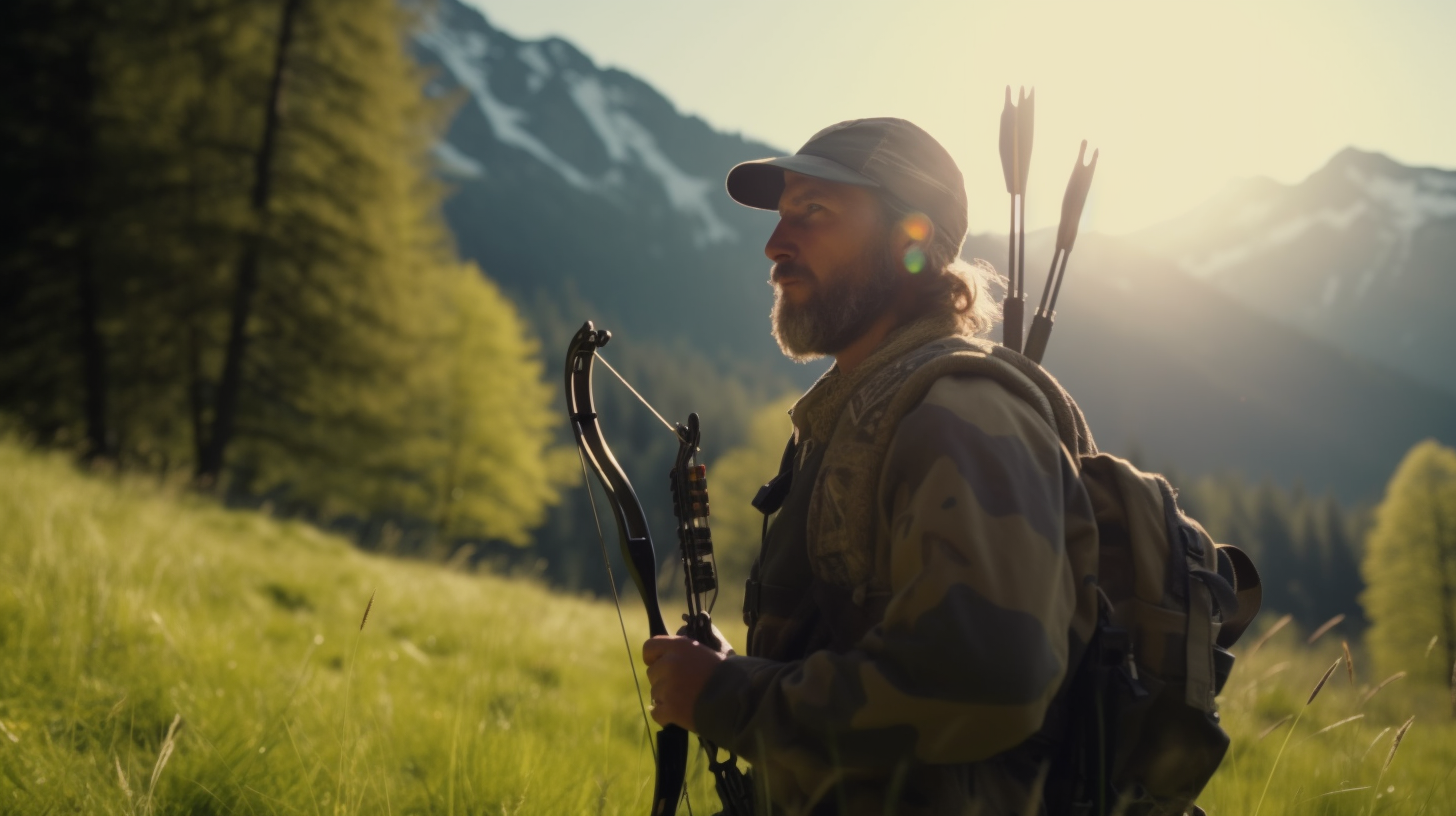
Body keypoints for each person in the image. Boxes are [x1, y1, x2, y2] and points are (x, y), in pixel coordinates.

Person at [642, 118, 1101, 815]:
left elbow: (985, 681)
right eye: (781, 214)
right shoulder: (864, 410)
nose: (774, 244)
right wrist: (745, 675)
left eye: (813, 212)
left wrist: (730, 697)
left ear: (910, 240)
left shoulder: (961, 414)